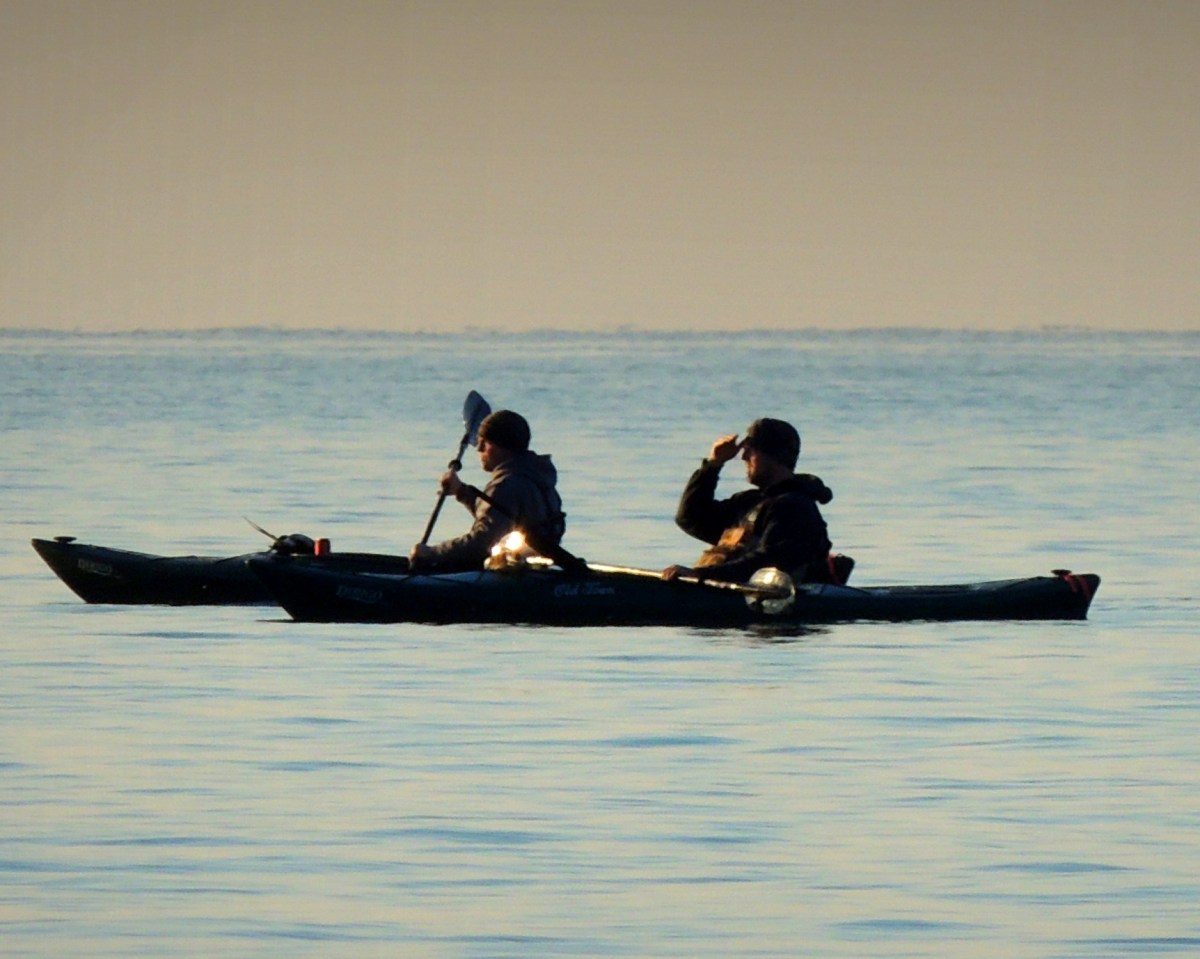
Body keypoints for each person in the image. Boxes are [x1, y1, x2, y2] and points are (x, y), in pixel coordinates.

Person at [662, 417, 844, 585]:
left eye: (750, 451)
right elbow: (690, 518)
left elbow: (770, 561)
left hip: (775, 602)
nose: (743, 457)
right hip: (732, 593)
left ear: (773, 455)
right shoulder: (748, 502)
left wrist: (701, 575)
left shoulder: (795, 507)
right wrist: (713, 465)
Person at [409, 410, 566, 572]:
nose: (479, 448)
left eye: (485, 442)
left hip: (513, 575)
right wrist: (461, 491)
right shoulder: (539, 476)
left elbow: (481, 544)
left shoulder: (505, 485)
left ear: (503, 446)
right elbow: (501, 514)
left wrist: (432, 553)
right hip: (539, 569)